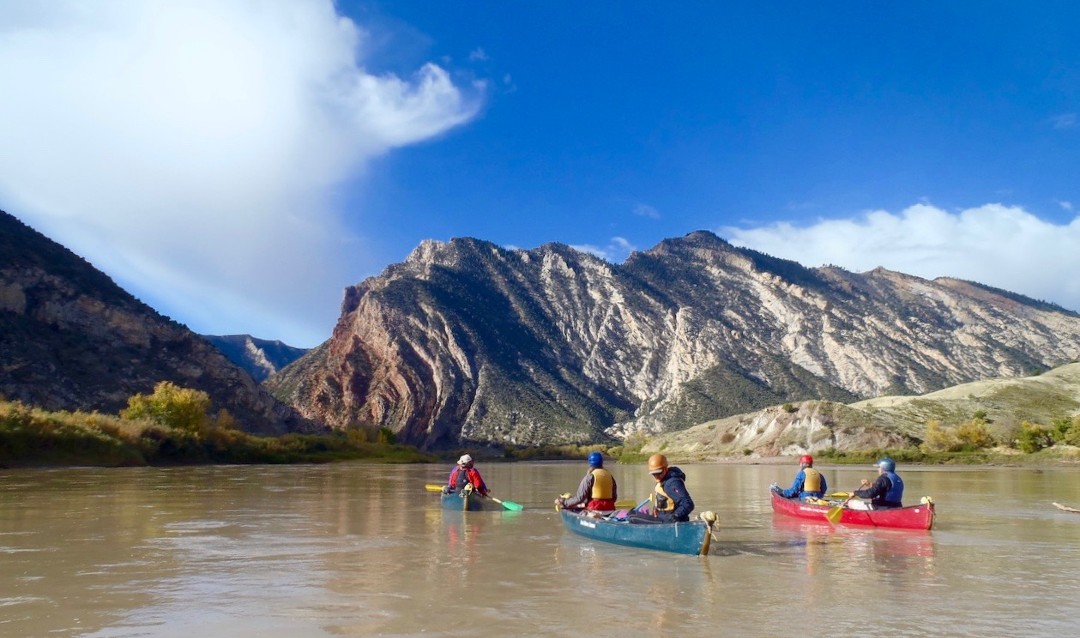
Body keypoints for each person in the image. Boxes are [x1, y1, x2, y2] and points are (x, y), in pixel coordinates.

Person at [627, 453, 694, 524]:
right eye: (654, 474)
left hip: (668, 521)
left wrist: (676, 515)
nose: (656, 476)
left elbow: (688, 504)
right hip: (661, 517)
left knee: (632, 517)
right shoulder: (663, 480)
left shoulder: (672, 483)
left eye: (659, 473)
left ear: (665, 469)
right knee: (632, 513)